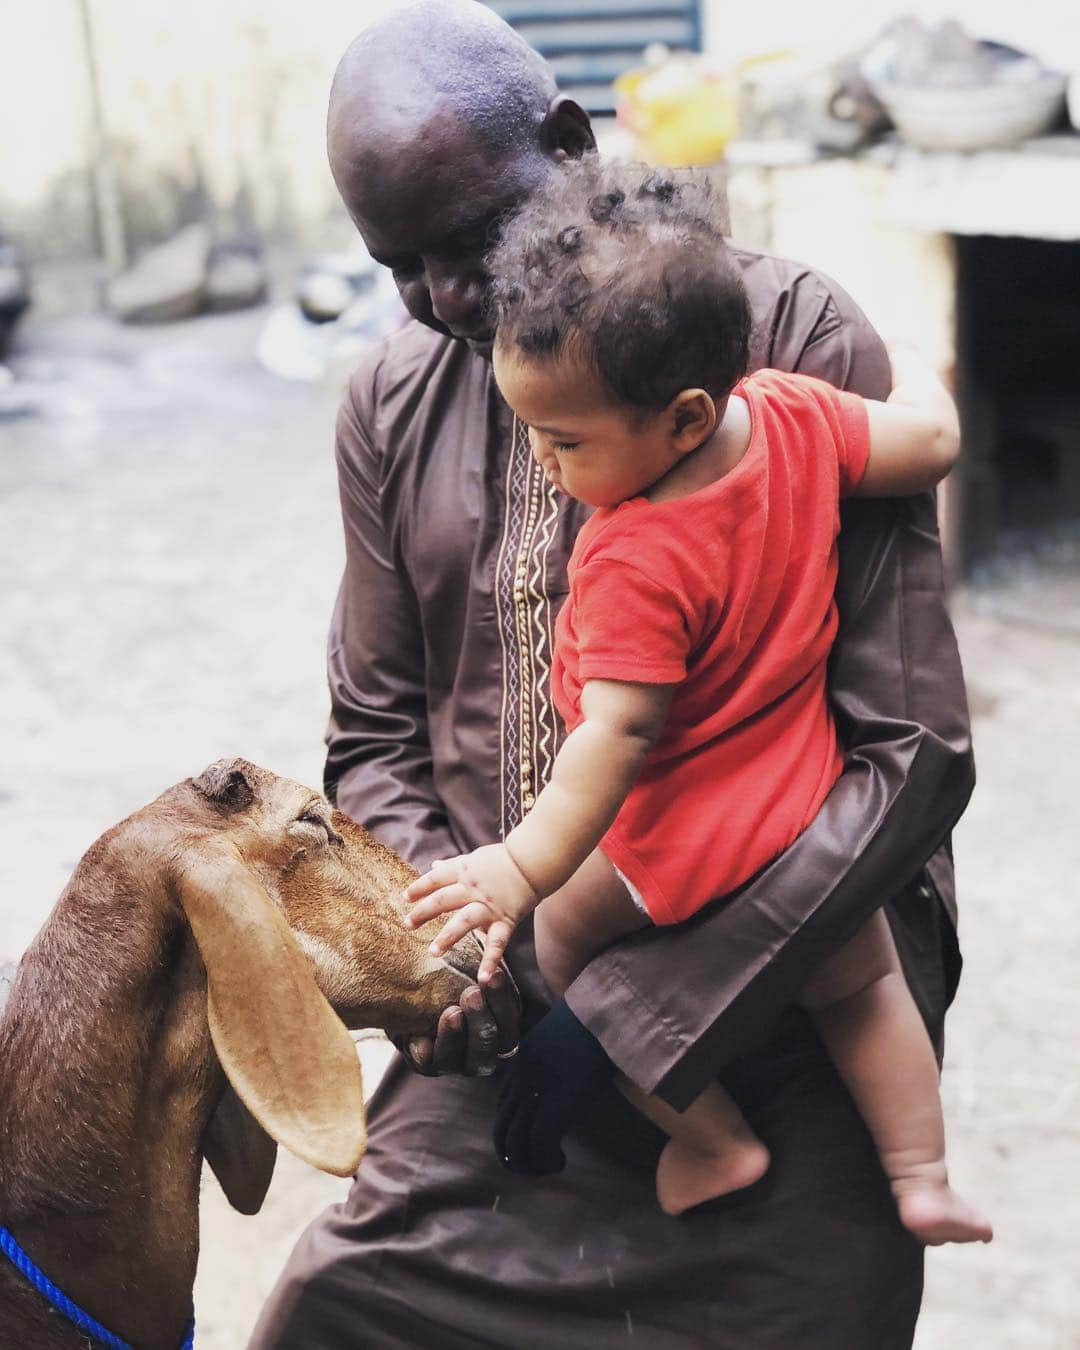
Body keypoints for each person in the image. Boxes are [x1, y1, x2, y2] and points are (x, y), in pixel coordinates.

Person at [249, 3, 974, 1346]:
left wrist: (635, 1003)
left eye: (468, 243)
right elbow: (377, 729)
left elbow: (912, 748)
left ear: (572, 144)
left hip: (787, 1004)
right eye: (402, 268)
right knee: (331, 1309)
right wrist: (449, 955)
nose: (447, 299)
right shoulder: (393, 398)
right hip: (515, 1011)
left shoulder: (787, 339)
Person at [402, 159, 990, 1244]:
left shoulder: (633, 556)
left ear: (679, 418)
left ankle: (712, 1140)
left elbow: (617, 733)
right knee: (859, 988)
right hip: (807, 806)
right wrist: (915, 367)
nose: (542, 457)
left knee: (569, 952)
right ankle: (922, 1172)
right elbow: (934, 445)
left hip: (680, 833)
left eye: (563, 440)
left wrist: (527, 869)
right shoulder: (796, 418)